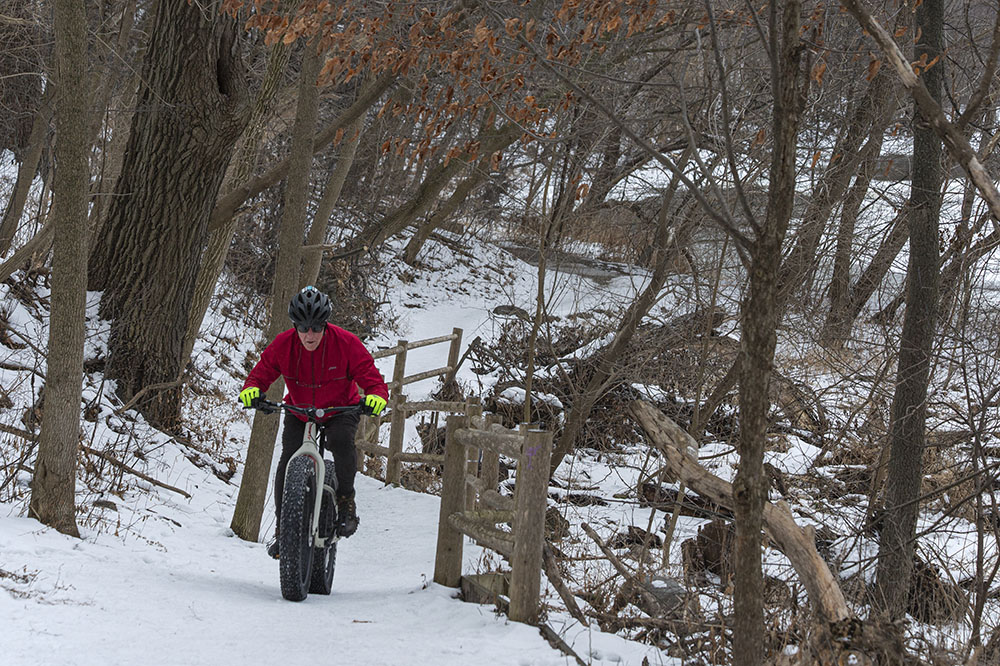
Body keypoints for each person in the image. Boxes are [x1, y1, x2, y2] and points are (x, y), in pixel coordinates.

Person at [238, 286, 388, 558]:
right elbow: (260, 373)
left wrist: (376, 396)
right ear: (295, 326)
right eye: (303, 328)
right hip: (299, 410)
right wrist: (252, 390)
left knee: (341, 441)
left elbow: (372, 378)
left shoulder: (346, 343)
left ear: (325, 325)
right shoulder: (283, 344)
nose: (310, 335)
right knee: (288, 461)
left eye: (316, 328)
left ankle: (345, 501)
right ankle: (284, 533)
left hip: (341, 408)